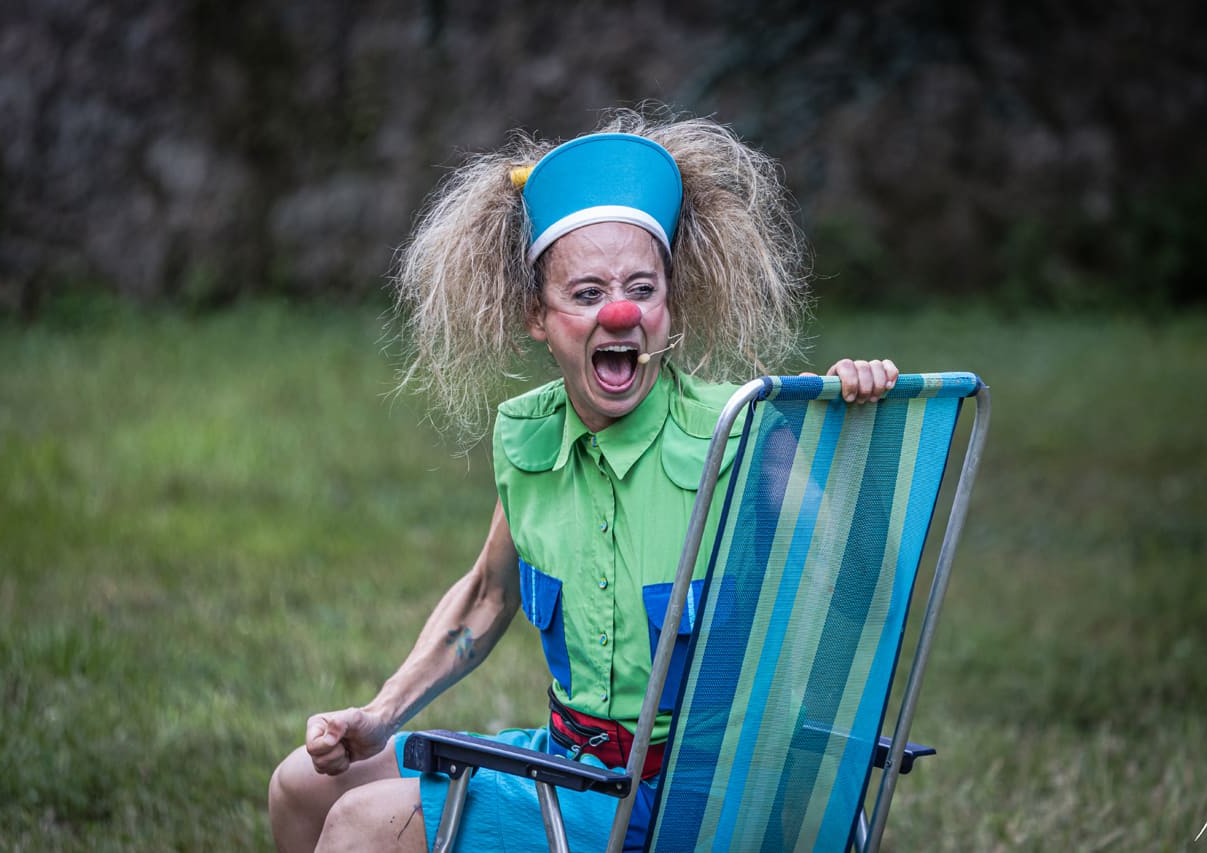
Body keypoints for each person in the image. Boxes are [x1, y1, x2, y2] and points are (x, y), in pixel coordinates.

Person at [267, 108, 898, 852]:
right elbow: (488, 594)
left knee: (364, 825)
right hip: (575, 768)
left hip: (691, 800)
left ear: (669, 306)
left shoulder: (745, 431)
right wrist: (380, 715)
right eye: (588, 293)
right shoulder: (529, 438)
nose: (620, 312)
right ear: (537, 316)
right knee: (301, 785)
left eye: (642, 287)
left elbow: (859, 577)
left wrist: (852, 437)